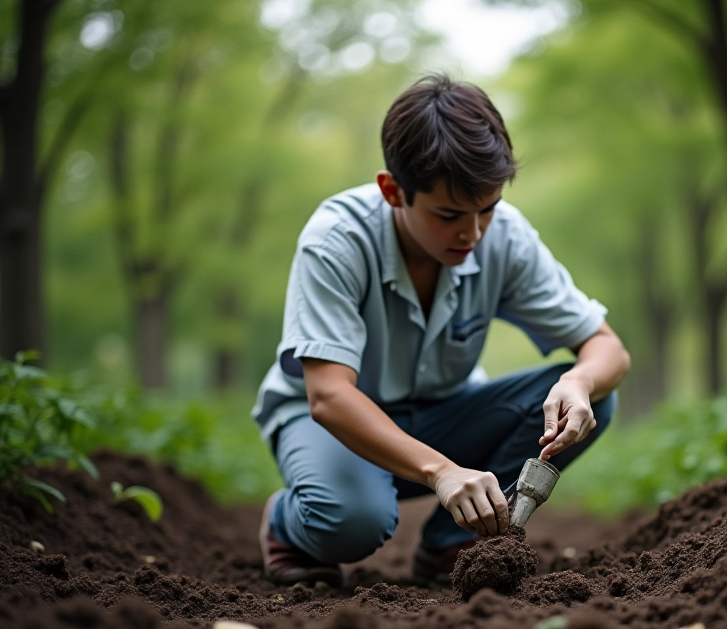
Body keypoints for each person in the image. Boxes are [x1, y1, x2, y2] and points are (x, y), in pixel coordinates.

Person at [251, 75, 630, 588]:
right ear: (393, 191)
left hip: (446, 413)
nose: (472, 234)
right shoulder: (336, 240)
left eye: (487, 210)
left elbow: (607, 348)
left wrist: (580, 383)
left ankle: (451, 543)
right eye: (448, 214)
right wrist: (440, 472)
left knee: (593, 400)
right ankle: (287, 521)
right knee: (350, 521)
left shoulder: (507, 238)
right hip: (335, 424)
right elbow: (329, 396)